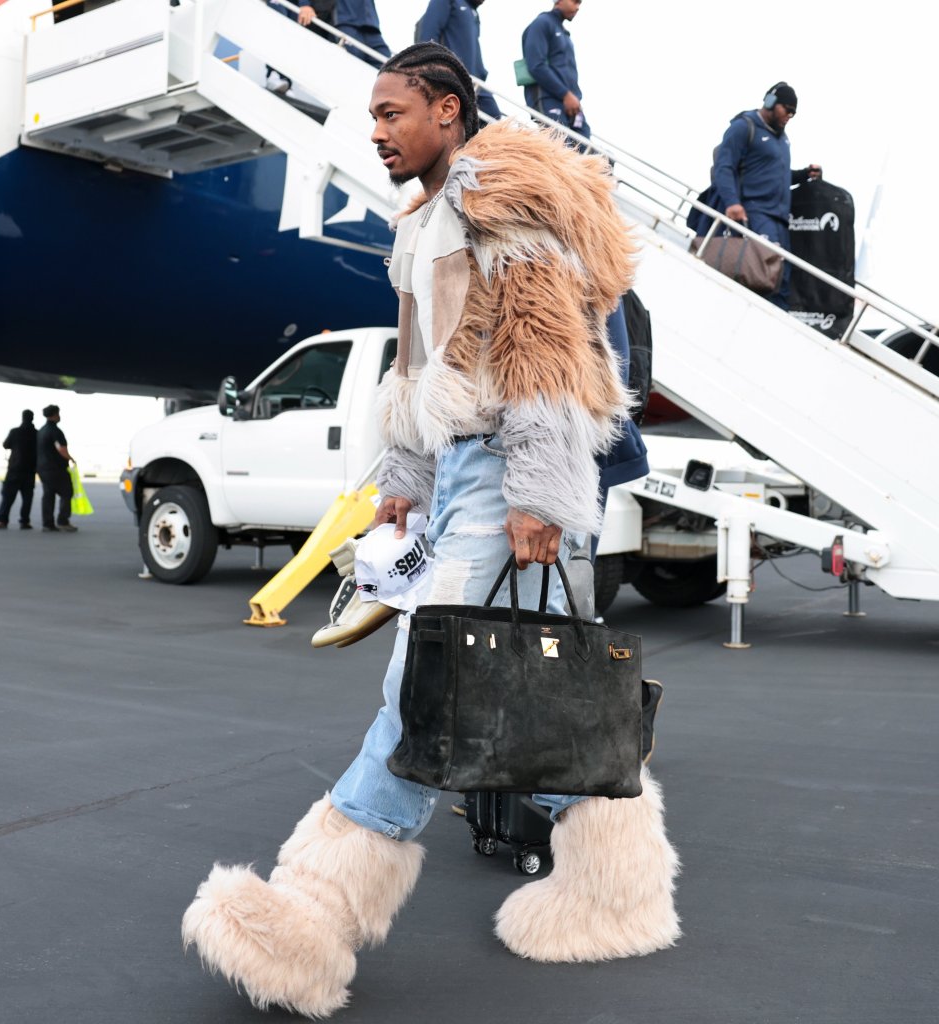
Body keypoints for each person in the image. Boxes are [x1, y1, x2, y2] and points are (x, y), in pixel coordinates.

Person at [182, 43, 680, 1018]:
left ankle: (310, 917)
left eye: (390, 113)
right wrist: (406, 477)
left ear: (448, 111)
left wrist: (536, 492)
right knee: (551, 689)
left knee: (432, 689)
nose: (375, 133)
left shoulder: (497, 200)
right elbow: (417, 369)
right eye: (372, 117)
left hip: (509, 474)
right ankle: (614, 892)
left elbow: (545, 348)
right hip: (463, 476)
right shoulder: (422, 224)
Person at [710, 82, 821, 308]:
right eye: (786, 109)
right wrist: (732, 203)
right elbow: (724, 167)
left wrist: (803, 175)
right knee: (765, 271)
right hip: (757, 212)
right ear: (770, 102)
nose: (789, 116)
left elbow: (775, 176)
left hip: (780, 218)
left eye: (793, 112)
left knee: (783, 276)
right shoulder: (744, 127)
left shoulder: (783, 139)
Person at [415, 0, 502, 120]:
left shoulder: (473, 12)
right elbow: (428, 35)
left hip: (476, 83)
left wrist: (481, 73)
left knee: (495, 119)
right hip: (453, 77)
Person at [521, 0, 589, 140]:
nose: (577, 8)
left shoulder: (564, 33)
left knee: (589, 153)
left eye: (580, 4)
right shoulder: (542, 23)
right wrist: (565, 94)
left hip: (571, 105)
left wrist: (573, 98)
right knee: (561, 150)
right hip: (549, 99)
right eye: (575, 2)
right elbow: (536, 65)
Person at [0, 410, 37, 530]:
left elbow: (6, 445)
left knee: (8, 497)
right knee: (27, 498)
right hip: (30, 470)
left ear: (22, 418)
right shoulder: (36, 433)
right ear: (32, 418)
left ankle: (2, 520)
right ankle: (24, 522)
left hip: (14, 470)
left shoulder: (15, 432)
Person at [37, 404, 77, 533]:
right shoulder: (55, 431)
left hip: (43, 468)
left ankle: (48, 524)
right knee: (66, 493)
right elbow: (61, 448)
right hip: (56, 468)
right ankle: (63, 521)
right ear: (55, 415)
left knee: (48, 495)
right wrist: (70, 458)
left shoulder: (41, 431)